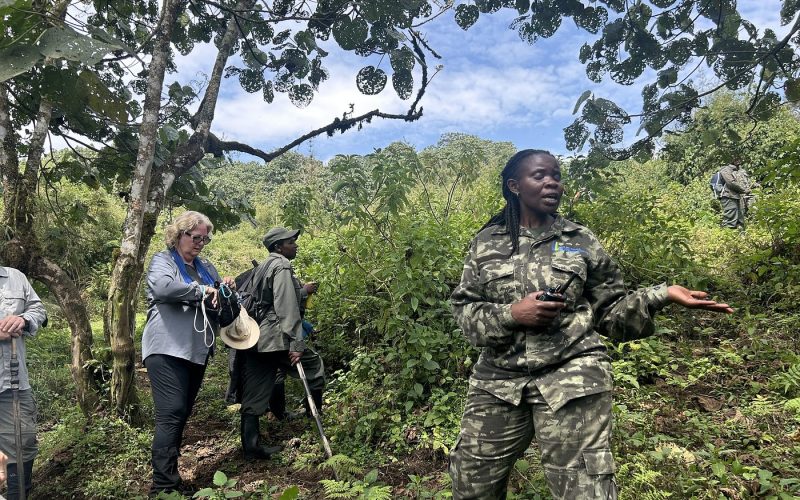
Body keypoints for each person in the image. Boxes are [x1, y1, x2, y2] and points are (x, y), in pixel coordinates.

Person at [449, 150, 734, 499]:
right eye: (539, 175)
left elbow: (611, 312)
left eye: (556, 175)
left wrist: (662, 295)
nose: (552, 181)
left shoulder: (581, 240)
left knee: (584, 490)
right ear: (514, 186)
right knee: (471, 482)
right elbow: (465, 313)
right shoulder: (485, 244)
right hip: (499, 383)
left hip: (573, 378)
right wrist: (513, 314)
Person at [142, 211, 235, 495]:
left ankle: (169, 476)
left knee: (181, 414)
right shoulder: (164, 260)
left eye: (205, 239)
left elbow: (219, 297)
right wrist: (203, 291)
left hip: (196, 349)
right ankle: (163, 486)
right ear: (179, 234)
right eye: (196, 237)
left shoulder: (205, 266)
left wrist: (225, 289)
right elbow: (163, 287)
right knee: (172, 412)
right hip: (166, 347)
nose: (200, 244)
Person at [236, 227, 325, 459]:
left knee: (255, 388)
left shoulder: (263, 266)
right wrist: (296, 343)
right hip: (276, 337)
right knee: (314, 368)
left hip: (255, 338)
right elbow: (286, 306)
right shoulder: (282, 266)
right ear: (278, 247)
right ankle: (313, 415)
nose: (295, 245)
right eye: (290, 242)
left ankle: (251, 448)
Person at [0, 266, 47, 500]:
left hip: (13, 381)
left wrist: (23, 319)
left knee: (23, 442)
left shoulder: (15, 277)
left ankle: (17, 496)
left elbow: (38, 309)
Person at [718, 158, 753, 229]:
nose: (739, 161)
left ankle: (741, 237)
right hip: (728, 197)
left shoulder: (735, 171)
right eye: (737, 160)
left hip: (735, 197)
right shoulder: (725, 170)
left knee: (740, 220)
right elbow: (731, 183)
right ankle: (727, 237)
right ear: (733, 161)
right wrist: (744, 190)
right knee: (731, 220)